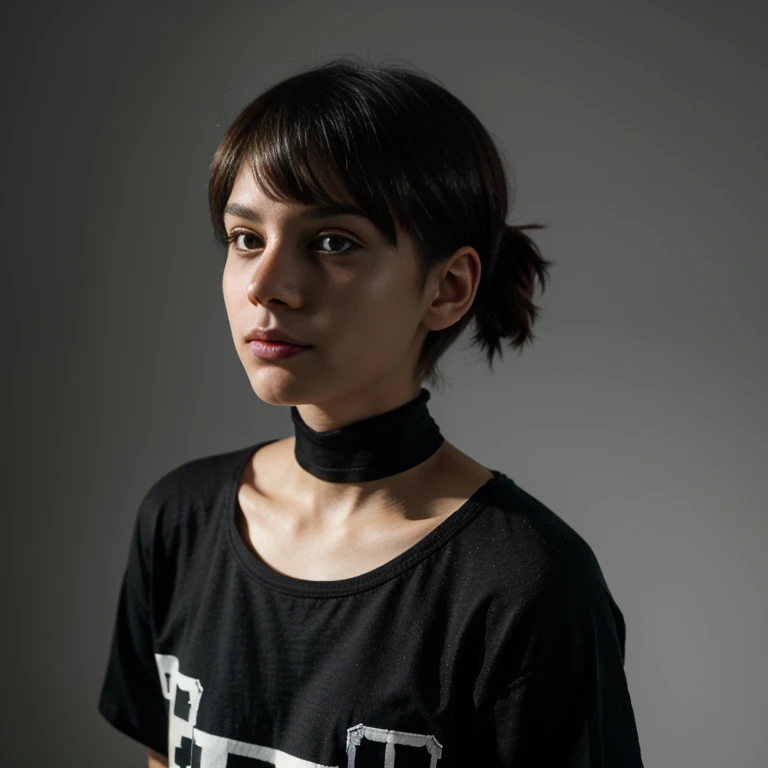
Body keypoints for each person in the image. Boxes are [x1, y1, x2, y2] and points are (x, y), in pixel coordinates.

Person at [97, 55, 645, 767]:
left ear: (447, 287)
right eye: (245, 239)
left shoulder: (526, 585)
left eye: (332, 242)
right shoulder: (181, 521)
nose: (266, 284)